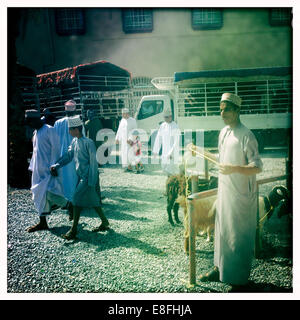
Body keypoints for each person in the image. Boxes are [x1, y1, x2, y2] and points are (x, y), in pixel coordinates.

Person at [198, 92, 263, 289]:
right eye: (220, 108)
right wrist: (200, 151)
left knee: (238, 235)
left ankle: (239, 280)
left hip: (242, 196)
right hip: (225, 192)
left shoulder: (246, 135)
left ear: (236, 110)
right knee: (221, 230)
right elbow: (221, 160)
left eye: (226, 109)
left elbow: (258, 166)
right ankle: (219, 268)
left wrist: (234, 169)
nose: (222, 112)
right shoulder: (223, 132)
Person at [50, 115, 109, 240]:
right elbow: (68, 156)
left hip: (89, 177)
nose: (69, 132)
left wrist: (92, 182)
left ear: (76, 129)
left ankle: (73, 230)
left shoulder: (89, 143)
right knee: (94, 201)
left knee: (76, 200)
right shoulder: (74, 142)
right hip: (82, 176)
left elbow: (94, 163)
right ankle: (105, 222)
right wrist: (57, 165)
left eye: (71, 129)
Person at [25, 109, 72, 232]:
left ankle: (69, 205)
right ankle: (43, 223)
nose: (29, 125)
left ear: (35, 119)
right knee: (38, 195)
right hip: (37, 172)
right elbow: (35, 153)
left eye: (30, 122)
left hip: (49, 170)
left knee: (51, 193)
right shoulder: (36, 132)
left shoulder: (49, 130)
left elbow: (56, 149)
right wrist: (32, 168)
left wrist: (54, 166)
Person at [53, 100, 78, 202]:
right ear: (75, 110)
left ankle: (64, 200)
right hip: (74, 154)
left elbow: (53, 140)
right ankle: (74, 199)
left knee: (63, 177)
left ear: (65, 110)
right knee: (73, 176)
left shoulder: (58, 123)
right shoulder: (77, 121)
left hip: (61, 155)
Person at [152, 107, 181, 176]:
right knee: (164, 167)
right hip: (165, 151)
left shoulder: (175, 126)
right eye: (164, 117)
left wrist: (171, 153)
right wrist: (155, 151)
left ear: (171, 117)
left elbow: (176, 141)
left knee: (172, 168)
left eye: (167, 117)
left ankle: (173, 182)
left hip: (172, 152)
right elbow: (158, 139)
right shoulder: (162, 126)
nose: (166, 119)